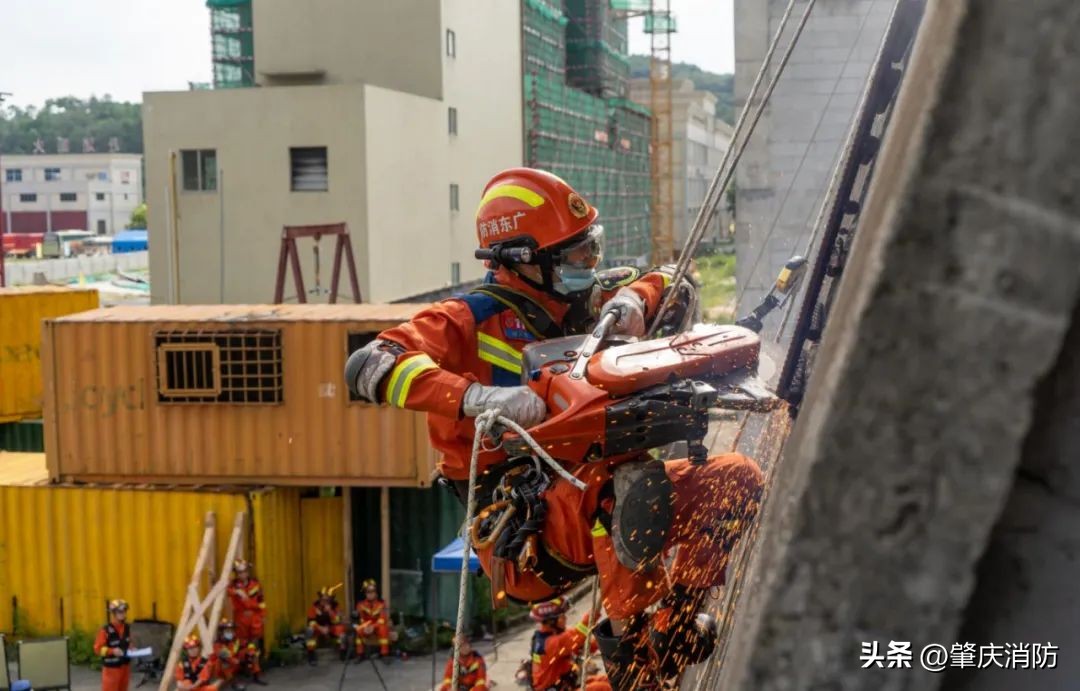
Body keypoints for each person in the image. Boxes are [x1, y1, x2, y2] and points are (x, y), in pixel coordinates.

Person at [345, 167, 763, 688]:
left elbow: (673, 276)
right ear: (523, 262)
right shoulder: (467, 320)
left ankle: (670, 629)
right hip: (525, 536)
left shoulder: (585, 304)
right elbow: (370, 364)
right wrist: (477, 398)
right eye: (575, 256)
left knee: (738, 480)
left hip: (599, 500)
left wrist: (637, 300)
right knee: (623, 486)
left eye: (591, 249)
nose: (589, 265)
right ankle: (637, 672)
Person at [529, 599, 610, 691]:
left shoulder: (550, 636)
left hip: (566, 685)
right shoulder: (552, 643)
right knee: (603, 688)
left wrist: (607, 639)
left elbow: (585, 648)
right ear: (551, 622)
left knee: (608, 680)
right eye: (562, 616)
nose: (565, 618)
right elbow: (578, 634)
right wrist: (599, 604)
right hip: (561, 688)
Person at [226, 560, 266, 654]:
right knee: (242, 641)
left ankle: (255, 663)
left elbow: (261, 600)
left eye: (245, 571)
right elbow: (227, 590)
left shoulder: (255, 583)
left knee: (255, 640)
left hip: (255, 615)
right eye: (240, 572)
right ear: (236, 573)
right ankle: (244, 661)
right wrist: (237, 592)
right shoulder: (234, 585)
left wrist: (263, 615)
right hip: (241, 617)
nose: (243, 574)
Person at [214, 618, 267, 687]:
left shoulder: (234, 639)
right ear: (221, 632)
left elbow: (243, 644)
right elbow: (227, 657)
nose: (230, 633)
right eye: (227, 631)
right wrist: (238, 662)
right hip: (224, 668)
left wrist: (250, 649)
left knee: (251, 652)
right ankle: (233, 683)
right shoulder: (218, 644)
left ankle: (256, 677)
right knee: (224, 662)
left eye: (231, 630)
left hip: (236, 662)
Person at [95, 599, 134, 691]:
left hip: (125, 667)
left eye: (124, 611)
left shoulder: (128, 628)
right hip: (111, 669)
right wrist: (112, 651)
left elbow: (129, 642)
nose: (123, 614)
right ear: (113, 613)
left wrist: (132, 648)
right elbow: (97, 649)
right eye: (120, 612)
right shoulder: (105, 630)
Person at [305, 587, 347, 665]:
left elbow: (338, 620)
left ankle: (343, 654)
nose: (325, 602)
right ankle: (311, 656)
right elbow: (310, 622)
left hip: (331, 628)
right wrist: (320, 628)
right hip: (319, 628)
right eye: (323, 599)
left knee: (342, 630)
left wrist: (330, 612)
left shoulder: (335, 606)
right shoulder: (314, 607)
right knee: (309, 630)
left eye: (327, 599)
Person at [353, 579, 392, 660]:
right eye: (368, 591)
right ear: (365, 593)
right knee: (358, 630)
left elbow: (382, 619)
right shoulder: (360, 604)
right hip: (365, 627)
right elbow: (361, 619)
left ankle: (384, 654)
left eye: (372, 591)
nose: (370, 594)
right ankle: (360, 654)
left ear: (376, 592)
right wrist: (365, 627)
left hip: (377, 627)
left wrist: (373, 627)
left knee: (384, 629)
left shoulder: (382, 604)